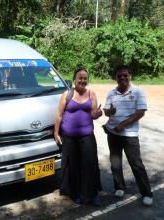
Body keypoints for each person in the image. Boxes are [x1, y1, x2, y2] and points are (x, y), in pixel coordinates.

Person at [103, 65, 153, 206]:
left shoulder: (138, 91)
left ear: (130, 76)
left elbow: (140, 112)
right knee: (115, 162)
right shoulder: (111, 93)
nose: (122, 78)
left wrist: (122, 125)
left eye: (125, 75)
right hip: (113, 134)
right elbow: (107, 111)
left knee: (136, 164)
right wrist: (109, 111)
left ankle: (147, 193)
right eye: (119, 76)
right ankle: (119, 187)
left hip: (130, 135)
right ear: (116, 78)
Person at [54, 67, 103, 205]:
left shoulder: (91, 94)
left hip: (87, 136)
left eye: (85, 78)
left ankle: (92, 195)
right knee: (73, 167)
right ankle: (76, 194)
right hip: (69, 137)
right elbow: (59, 115)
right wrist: (56, 132)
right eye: (80, 77)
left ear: (87, 80)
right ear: (74, 79)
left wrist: (98, 113)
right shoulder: (67, 94)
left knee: (90, 165)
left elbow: (93, 114)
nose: (82, 80)